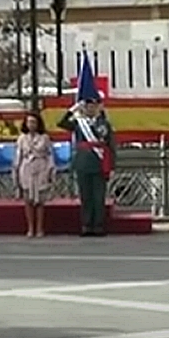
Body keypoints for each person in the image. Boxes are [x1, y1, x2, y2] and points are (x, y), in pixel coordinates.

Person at [57, 98, 116, 236]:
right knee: (85, 196)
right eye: (88, 107)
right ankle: (86, 225)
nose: (90, 109)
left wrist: (112, 166)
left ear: (98, 108)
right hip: (83, 163)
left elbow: (111, 146)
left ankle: (98, 225)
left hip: (99, 163)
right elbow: (61, 123)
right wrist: (72, 110)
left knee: (98, 196)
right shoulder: (78, 124)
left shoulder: (104, 124)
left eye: (93, 107)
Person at [13, 112, 56, 238]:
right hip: (26, 168)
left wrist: (50, 170)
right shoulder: (21, 138)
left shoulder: (45, 138)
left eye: (34, 122)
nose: (31, 125)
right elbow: (18, 155)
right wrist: (16, 169)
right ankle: (30, 228)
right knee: (28, 200)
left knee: (40, 201)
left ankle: (39, 228)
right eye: (29, 122)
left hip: (41, 167)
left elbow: (50, 154)